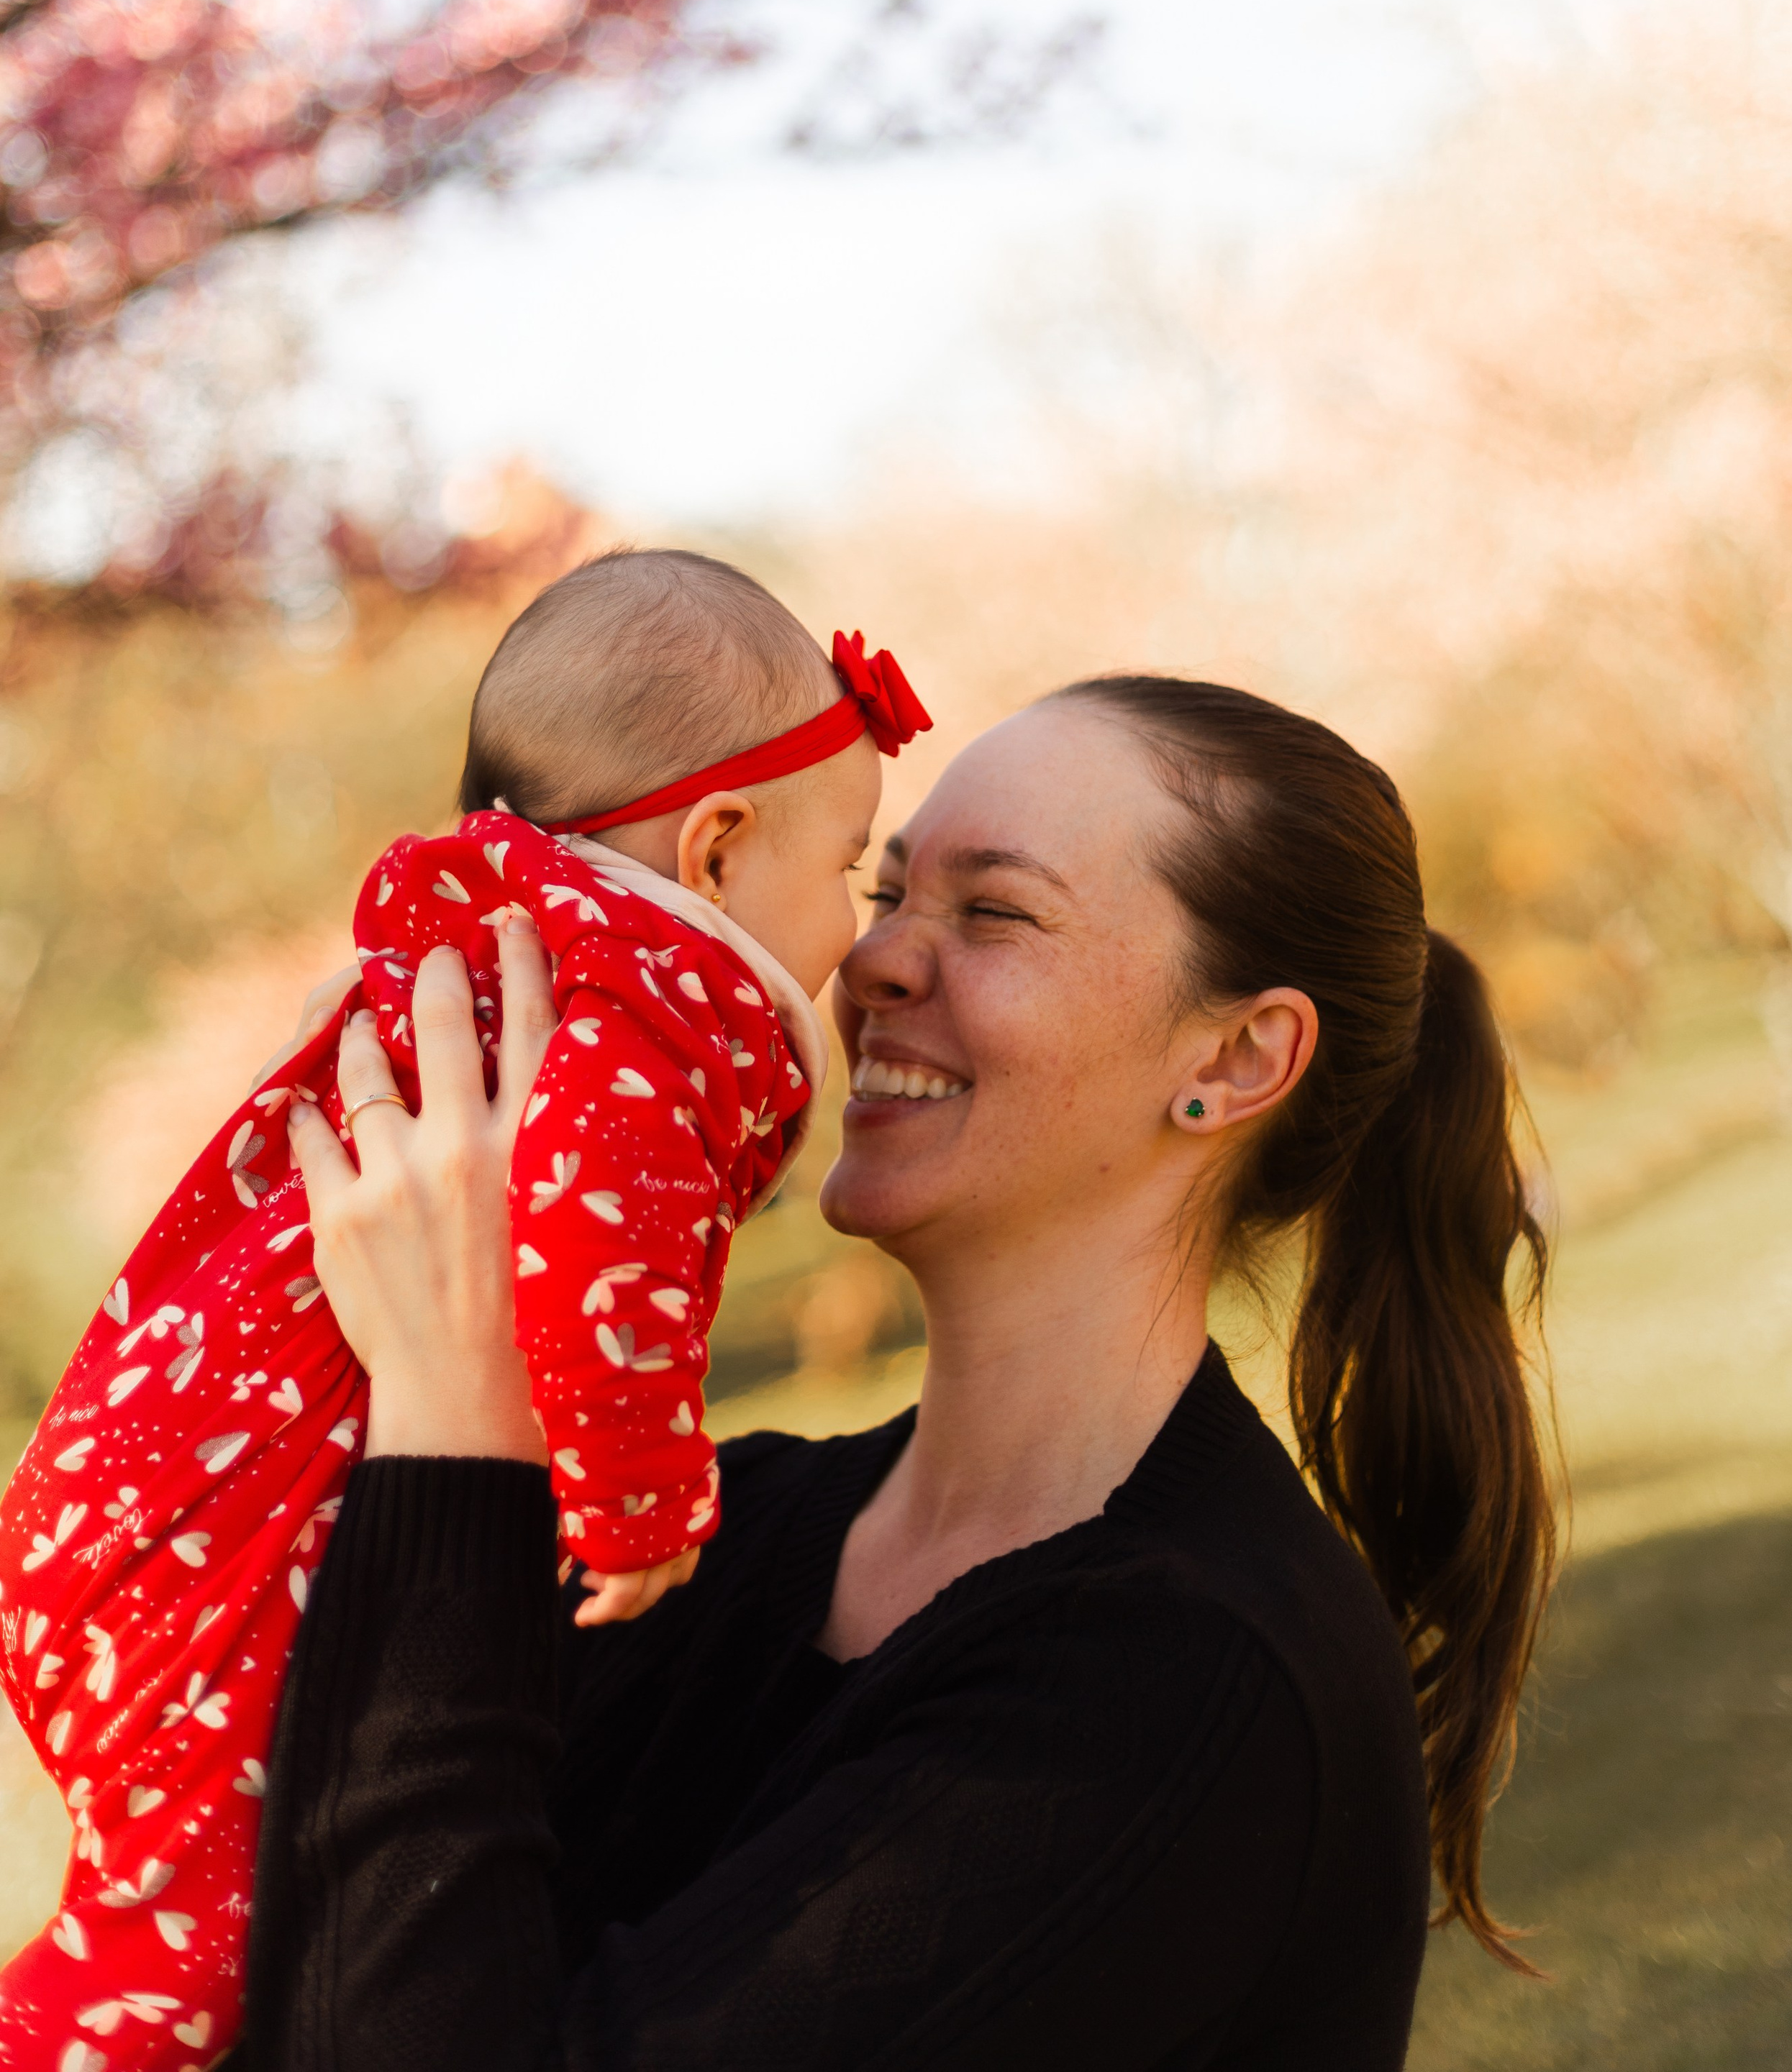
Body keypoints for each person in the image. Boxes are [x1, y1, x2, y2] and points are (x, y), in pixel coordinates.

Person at [235, 671, 1555, 2072]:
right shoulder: (704, 1541)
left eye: (991, 911)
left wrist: (453, 1431)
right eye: (883, 896)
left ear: (1234, 1059)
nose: (868, 966)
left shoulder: (1184, 1683)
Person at [0, 552, 929, 2071]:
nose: (860, 938)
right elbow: (593, 1242)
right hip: (224, 1540)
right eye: (848, 867)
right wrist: (641, 1497)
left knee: (216, 1905)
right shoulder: (648, 1007)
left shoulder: (515, 958)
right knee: (180, 1957)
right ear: (714, 849)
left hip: (149, 1498)